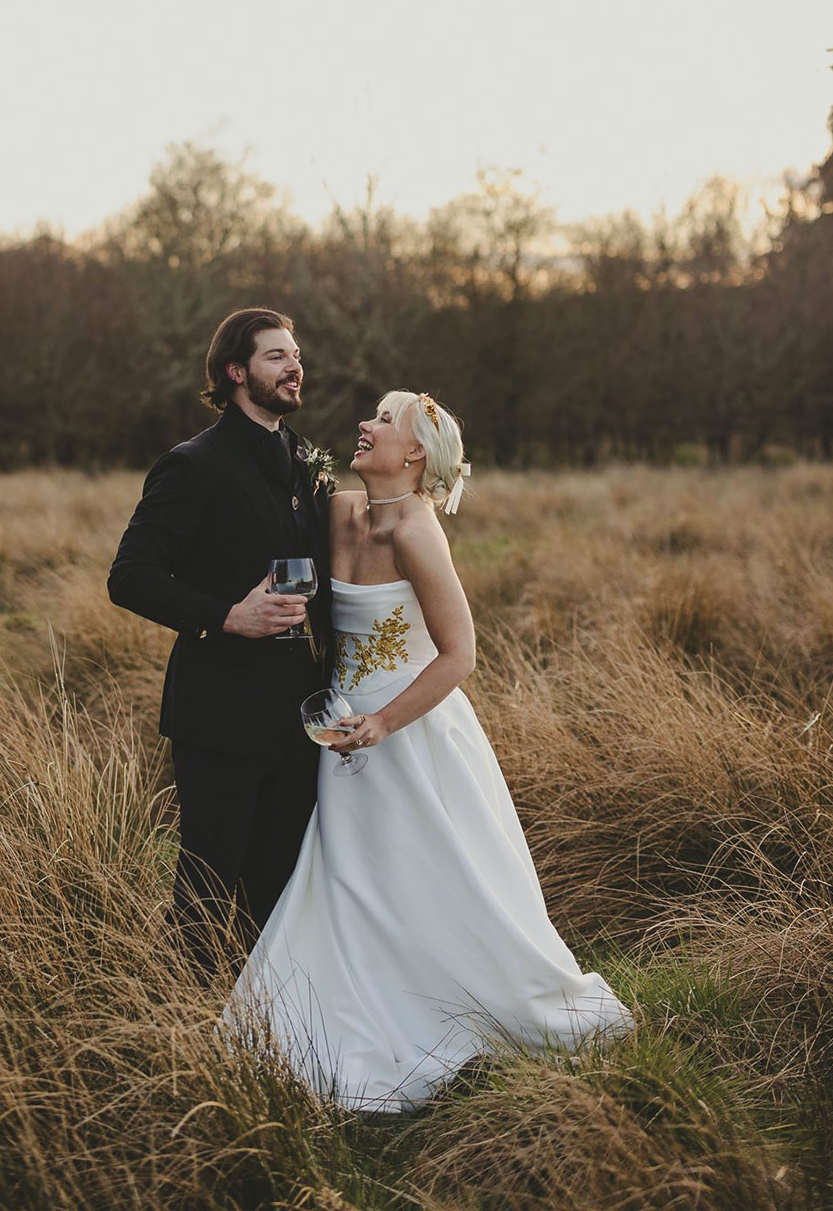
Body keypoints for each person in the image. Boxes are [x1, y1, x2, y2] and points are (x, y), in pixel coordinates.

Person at [226, 389, 633, 1110]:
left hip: (410, 732)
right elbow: (272, 504)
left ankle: (459, 1004)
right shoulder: (338, 510)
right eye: (373, 415)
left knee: (433, 877)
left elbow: (460, 654)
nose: (366, 424)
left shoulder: (417, 532)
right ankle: (334, 1013)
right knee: (348, 877)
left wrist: (384, 722)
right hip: (340, 731)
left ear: (413, 452)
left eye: (383, 420)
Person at [108, 307, 332, 974]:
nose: (294, 366)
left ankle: (266, 1034)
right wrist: (225, 616)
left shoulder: (309, 465)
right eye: (275, 357)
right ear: (235, 372)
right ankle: (180, 1032)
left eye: (296, 355)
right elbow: (130, 577)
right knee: (206, 893)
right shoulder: (192, 466)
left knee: (281, 890)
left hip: (302, 719)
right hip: (220, 719)